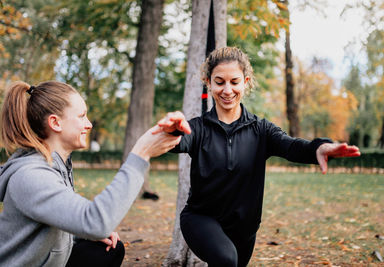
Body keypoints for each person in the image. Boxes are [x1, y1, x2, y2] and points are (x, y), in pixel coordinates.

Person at [157, 47, 361, 267]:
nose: (227, 90)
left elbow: (291, 146)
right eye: (219, 82)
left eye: (234, 82)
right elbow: (177, 141)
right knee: (226, 260)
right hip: (201, 219)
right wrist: (172, 130)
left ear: (245, 82)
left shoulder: (261, 130)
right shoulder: (197, 129)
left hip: (244, 227)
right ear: (208, 83)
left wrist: (319, 147)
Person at [0, 81, 190, 267]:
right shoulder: (31, 176)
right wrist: (141, 153)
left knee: (106, 250)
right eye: (81, 116)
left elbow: (51, 222)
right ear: (55, 123)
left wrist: (83, 233)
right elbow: (96, 222)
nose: (89, 124)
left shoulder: (56, 165)